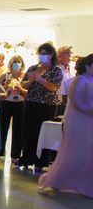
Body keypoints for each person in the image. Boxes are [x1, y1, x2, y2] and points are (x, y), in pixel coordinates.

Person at [38, 54, 93, 197]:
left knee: (87, 152)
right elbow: (77, 102)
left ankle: (84, 182)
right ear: (87, 65)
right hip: (78, 120)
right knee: (75, 151)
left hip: (88, 121)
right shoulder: (80, 80)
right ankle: (57, 179)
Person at [19, 43, 63, 174]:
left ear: (51, 55)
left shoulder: (56, 70)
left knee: (42, 133)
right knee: (28, 131)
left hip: (47, 106)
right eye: (41, 53)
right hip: (30, 103)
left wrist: (40, 79)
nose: (42, 56)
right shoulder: (33, 68)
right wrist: (31, 80)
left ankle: (40, 161)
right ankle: (26, 158)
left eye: (45, 53)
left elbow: (54, 87)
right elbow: (24, 85)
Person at [0, 55, 26, 161]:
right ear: (10, 64)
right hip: (6, 103)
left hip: (20, 104)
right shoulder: (5, 75)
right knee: (2, 127)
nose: (16, 64)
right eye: (14, 62)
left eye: (18, 62)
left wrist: (21, 88)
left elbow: (28, 90)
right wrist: (5, 86)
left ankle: (15, 155)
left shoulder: (25, 76)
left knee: (18, 129)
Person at [56, 46, 73, 116]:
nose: (70, 58)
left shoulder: (67, 70)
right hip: (59, 103)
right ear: (59, 56)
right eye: (67, 54)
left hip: (66, 103)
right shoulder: (56, 70)